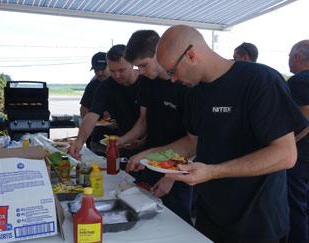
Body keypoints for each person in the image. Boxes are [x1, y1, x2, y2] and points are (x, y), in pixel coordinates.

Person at [127, 25, 307, 242]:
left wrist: (213, 171)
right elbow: (192, 142)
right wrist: (149, 156)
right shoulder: (194, 93)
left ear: (191, 56)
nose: (172, 79)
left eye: (172, 71)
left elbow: (286, 154)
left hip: (256, 223)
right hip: (210, 218)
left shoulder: (260, 80)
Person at [120, 29, 192, 224]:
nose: (140, 72)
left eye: (143, 65)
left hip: (179, 168)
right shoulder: (146, 82)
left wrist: (172, 177)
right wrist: (120, 141)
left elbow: (195, 142)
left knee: (177, 223)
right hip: (150, 162)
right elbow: (142, 123)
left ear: (158, 54)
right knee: (145, 219)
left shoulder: (185, 85)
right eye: (137, 67)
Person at [69, 44, 142, 160]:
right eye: (112, 71)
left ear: (132, 64)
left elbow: (146, 120)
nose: (117, 76)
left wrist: (141, 141)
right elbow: (92, 114)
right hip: (123, 143)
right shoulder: (106, 86)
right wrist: (79, 141)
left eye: (121, 70)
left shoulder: (145, 82)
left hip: (148, 145)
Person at [286, 39, 309, 243]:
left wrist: (287, 146)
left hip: (301, 155)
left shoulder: (299, 81)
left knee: (295, 203)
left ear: (297, 57)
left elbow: (304, 120)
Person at [79, 52, 115, 155]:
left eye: (102, 69)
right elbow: (83, 111)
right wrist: (99, 118)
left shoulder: (121, 83)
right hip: (98, 141)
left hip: (123, 140)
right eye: (96, 70)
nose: (99, 73)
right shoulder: (93, 86)